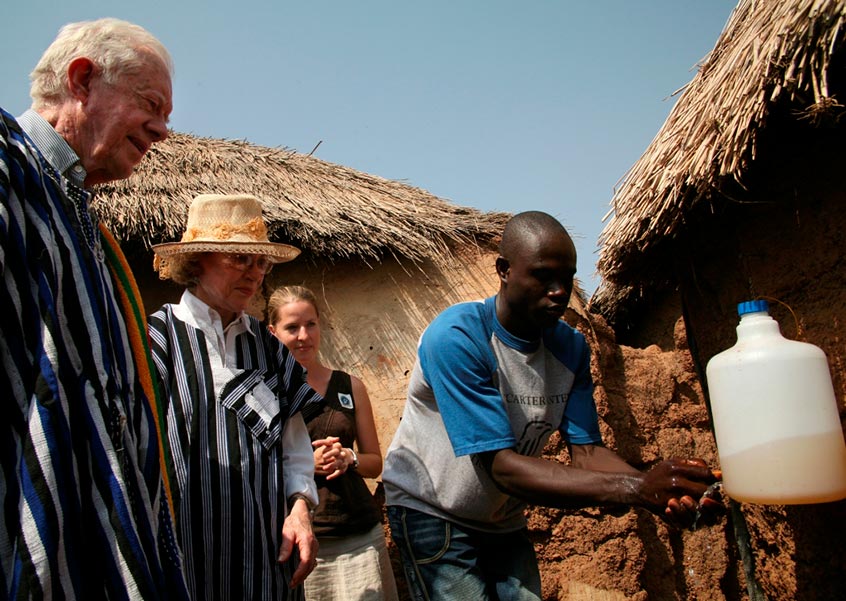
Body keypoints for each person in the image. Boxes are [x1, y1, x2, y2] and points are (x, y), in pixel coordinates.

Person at [382, 211, 722, 600]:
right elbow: (502, 468)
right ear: (504, 270)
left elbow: (588, 452)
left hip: (503, 517)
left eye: (568, 277)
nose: (560, 291)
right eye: (544, 276)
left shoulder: (570, 347)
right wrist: (639, 487)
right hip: (433, 511)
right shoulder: (458, 337)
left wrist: (665, 492)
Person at [0, 18, 187, 598]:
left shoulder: (82, 218)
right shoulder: (10, 169)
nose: (161, 131)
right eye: (150, 105)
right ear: (81, 80)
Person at [149, 193, 324, 600]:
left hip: (267, 561)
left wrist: (300, 508)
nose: (255, 273)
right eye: (239, 259)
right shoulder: (154, 341)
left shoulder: (270, 350)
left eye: (260, 262)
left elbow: (295, 447)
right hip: (184, 558)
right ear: (197, 261)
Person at [267, 286, 399, 601]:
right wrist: (303, 466)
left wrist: (349, 458)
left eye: (311, 324)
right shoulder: (264, 392)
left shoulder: (350, 386)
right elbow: (252, 467)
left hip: (359, 538)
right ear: (272, 332)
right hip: (300, 545)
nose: (303, 335)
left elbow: (374, 462)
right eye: (292, 327)